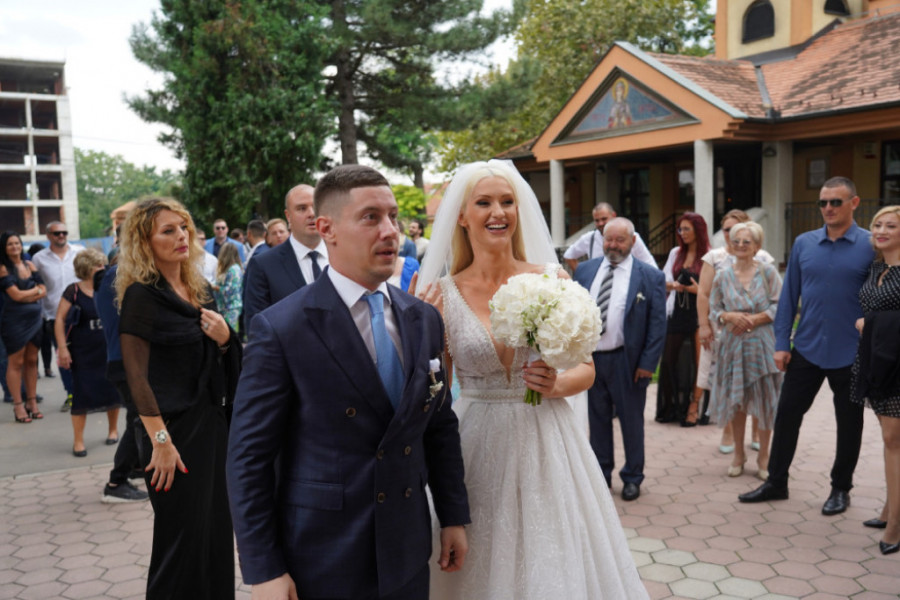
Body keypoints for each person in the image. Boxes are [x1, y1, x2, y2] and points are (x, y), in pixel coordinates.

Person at [227, 164, 470, 599]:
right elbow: (249, 457)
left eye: (393, 216)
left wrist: (452, 514)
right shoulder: (282, 328)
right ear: (327, 229)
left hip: (407, 546)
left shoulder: (423, 319)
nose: (390, 230)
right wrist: (263, 569)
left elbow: (438, 425)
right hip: (325, 554)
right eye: (370, 217)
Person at [416, 160, 648, 599]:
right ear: (462, 216)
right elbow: (436, 395)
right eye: (483, 203)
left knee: (553, 557)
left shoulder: (551, 278)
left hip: (549, 441)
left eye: (507, 201)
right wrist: (420, 328)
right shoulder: (442, 296)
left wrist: (555, 385)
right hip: (476, 443)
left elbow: (586, 368)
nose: (498, 212)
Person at [117, 197, 242, 599]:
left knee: (215, 535)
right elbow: (136, 378)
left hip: (212, 427)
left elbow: (224, 358)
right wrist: (161, 442)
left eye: (183, 227)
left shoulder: (199, 290)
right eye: (167, 231)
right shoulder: (141, 297)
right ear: (145, 242)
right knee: (180, 545)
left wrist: (226, 339)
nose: (181, 236)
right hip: (171, 435)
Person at [739, 177, 873, 515]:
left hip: (852, 352)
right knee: (786, 416)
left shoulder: (871, 245)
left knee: (849, 423)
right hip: (807, 347)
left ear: (854, 203)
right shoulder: (804, 243)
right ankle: (776, 482)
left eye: (836, 202)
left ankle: (840, 489)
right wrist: (781, 343)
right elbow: (788, 297)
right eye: (823, 202)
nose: (828, 208)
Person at [574, 217, 667, 501]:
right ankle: (601, 475)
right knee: (597, 420)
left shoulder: (650, 276)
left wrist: (648, 364)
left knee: (631, 422)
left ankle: (632, 477)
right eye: (608, 239)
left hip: (628, 362)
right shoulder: (585, 270)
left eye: (620, 240)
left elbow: (657, 325)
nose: (613, 245)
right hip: (591, 361)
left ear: (633, 241)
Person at [707, 222, 783, 480]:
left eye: (746, 241)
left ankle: (764, 457)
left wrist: (755, 319)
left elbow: (780, 305)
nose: (740, 245)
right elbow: (714, 309)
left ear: (757, 246)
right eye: (736, 241)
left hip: (762, 345)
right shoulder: (722, 276)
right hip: (733, 345)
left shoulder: (768, 272)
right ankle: (739, 454)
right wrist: (728, 316)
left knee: (766, 402)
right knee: (737, 401)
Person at [693, 210, 775, 442]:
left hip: (758, 333)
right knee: (728, 382)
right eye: (727, 230)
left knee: (758, 382)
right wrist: (704, 325)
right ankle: (729, 431)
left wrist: (755, 320)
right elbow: (704, 293)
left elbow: (774, 299)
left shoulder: (764, 259)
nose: (732, 235)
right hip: (723, 332)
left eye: (736, 229)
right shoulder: (715, 257)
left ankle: (756, 432)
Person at [851, 205, 900, 555]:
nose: (881, 231)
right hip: (877, 360)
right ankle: (890, 507)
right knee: (890, 439)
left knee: (893, 438)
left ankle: (896, 523)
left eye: (891, 226)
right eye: (878, 225)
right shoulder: (877, 267)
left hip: (898, 364)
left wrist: (871, 324)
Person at [55, 249, 123, 457]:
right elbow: (59, 320)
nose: (103, 268)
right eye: (98, 265)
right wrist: (62, 348)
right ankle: (78, 441)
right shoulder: (73, 291)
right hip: (82, 352)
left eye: (103, 264)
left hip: (107, 349)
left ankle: (113, 430)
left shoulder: (109, 287)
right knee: (81, 395)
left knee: (112, 391)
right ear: (86, 268)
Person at [94, 262, 149, 504]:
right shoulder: (118, 274)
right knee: (141, 418)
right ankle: (116, 482)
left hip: (125, 361)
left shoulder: (116, 274)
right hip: (126, 363)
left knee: (138, 418)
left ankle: (134, 467)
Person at [243, 184, 328, 333]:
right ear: (288, 216)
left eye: (316, 206)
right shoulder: (263, 265)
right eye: (302, 208)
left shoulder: (345, 256)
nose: (311, 213)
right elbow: (257, 328)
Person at [657, 212, 709, 424]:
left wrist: (697, 290)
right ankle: (671, 407)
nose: (683, 233)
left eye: (687, 228)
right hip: (677, 310)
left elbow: (714, 289)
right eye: (680, 229)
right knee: (669, 360)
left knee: (699, 363)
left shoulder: (709, 255)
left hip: (699, 313)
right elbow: (663, 280)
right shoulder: (675, 253)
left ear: (698, 230)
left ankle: (694, 407)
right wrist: (674, 285)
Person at [31, 221, 82, 411]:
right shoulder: (38, 259)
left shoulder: (79, 252)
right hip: (54, 316)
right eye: (56, 233)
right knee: (63, 357)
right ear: (48, 236)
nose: (61, 236)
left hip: (81, 314)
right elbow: (35, 283)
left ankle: (86, 393)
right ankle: (71, 394)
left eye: (64, 232)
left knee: (85, 355)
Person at [1, 231, 47, 424]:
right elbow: (16, 296)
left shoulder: (29, 265)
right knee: (16, 362)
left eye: (17, 243)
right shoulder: (3, 268)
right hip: (14, 320)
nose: (15, 247)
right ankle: (18, 405)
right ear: (4, 248)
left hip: (35, 319)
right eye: (10, 244)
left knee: (32, 360)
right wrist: (35, 292)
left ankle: (32, 402)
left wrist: (29, 295)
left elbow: (44, 290)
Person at [563, 202, 656, 271]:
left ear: (613, 215)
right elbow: (568, 255)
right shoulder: (589, 238)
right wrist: (583, 275)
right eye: (597, 220)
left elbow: (650, 264)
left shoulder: (631, 237)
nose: (600, 223)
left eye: (604, 219)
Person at [212, 243, 242, 331]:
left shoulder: (234, 270)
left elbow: (230, 291)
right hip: (224, 306)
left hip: (231, 308)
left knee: (228, 331)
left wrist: (214, 287)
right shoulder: (227, 269)